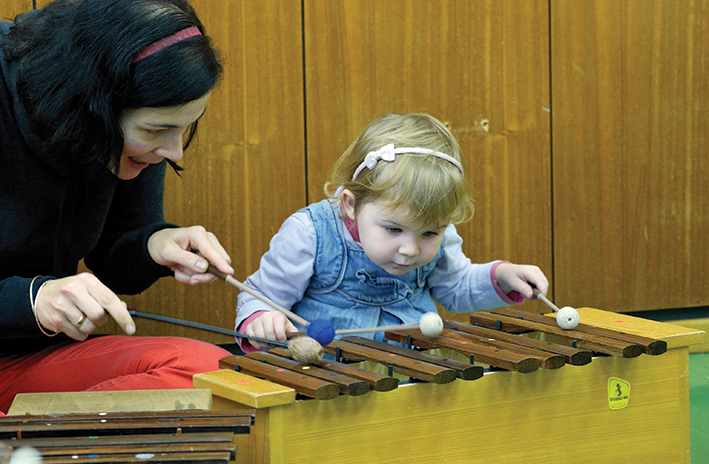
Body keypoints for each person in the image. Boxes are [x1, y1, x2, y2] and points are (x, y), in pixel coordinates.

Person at [0, 0, 235, 416]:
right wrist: (33, 300)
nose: (174, 151)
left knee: (212, 372)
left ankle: (23, 443)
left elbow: (116, 260)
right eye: (157, 130)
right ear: (92, 104)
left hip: (32, 362)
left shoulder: (124, 122)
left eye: (185, 127)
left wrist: (151, 244)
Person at [235, 112, 549, 351]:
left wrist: (503, 277)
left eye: (429, 233)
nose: (410, 250)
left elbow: (456, 287)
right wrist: (262, 320)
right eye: (393, 229)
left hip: (413, 371)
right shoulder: (309, 233)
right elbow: (261, 298)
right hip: (326, 379)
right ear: (350, 205)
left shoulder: (438, 231)